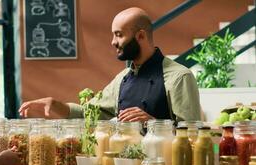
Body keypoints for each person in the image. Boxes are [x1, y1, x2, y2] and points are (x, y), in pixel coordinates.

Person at [19, 7, 201, 123]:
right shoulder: (122, 79)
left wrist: (153, 123)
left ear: (141, 36)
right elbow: (90, 113)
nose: (113, 42)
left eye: (119, 35)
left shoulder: (179, 77)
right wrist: (56, 105)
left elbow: (193, 135)